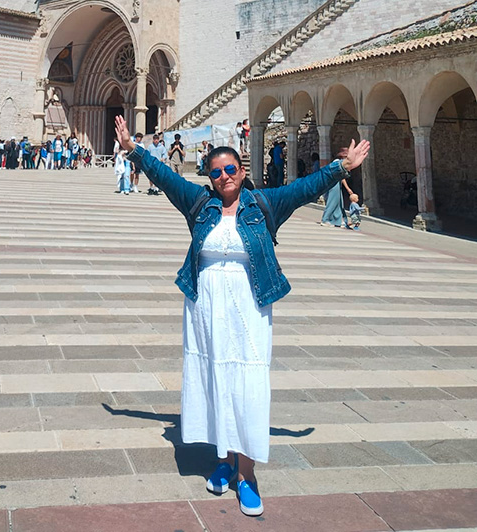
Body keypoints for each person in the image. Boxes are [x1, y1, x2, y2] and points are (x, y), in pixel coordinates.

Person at [114, 114, 369, 518]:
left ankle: (246, 474)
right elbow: (164, 176)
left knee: (247, 382)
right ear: (210, 176)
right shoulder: (200, 203)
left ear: (242, 171)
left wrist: (341, 167)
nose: (224, 177)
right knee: (215, 378)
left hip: (250, 304)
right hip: (205, 306)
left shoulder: (264, 203)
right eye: (217, 172)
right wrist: (134, 149)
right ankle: (223, 459)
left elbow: (305, 188)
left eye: (231, 169)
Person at [320, 147, 354, 228]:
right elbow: (342, 178)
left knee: (339, 202)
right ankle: (325, 219)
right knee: (332, 201)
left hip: (337, 183)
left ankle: (340, 220)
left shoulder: (341, 163)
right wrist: (348, 188)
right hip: (333, 184)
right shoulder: (337, 162)